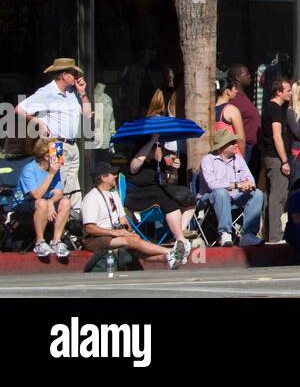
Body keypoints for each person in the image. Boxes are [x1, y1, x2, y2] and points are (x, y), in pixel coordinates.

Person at [16, 57, 92, 209]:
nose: (76, 77)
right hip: (56, 144)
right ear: (64, 75)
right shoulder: (46, 92)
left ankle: (73, 221)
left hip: (72, 144)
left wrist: (82, 93)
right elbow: (19, 109)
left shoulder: (72, 93)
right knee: (59, 182)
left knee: (73, 185)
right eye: (72, 73)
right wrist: (38, 121)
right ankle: (58, 221)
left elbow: (88, 114)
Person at [80, 161, 184, 269]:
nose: (115, 176)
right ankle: (171, 251)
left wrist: (129, 231)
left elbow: (123, 218)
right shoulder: (91, 198)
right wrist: (116, 233)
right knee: (131, 241)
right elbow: (90, 228)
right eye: (112, 174)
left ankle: (168, 258)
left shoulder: (113, 194)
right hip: (95, 238)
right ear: (103, 177)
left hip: (113, 234)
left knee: (135, 242)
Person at [123, 133, 194, 262]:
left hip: (155, 197)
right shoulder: (135, 162)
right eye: (157, 147)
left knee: (188, 198)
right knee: (166, 199)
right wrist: (153, 140)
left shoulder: (156, 164)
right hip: (137, 199)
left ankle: (178, 236)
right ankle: (181, 240)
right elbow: (137, 163)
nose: (159, 149)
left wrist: (173, 170)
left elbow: (169, 181)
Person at [198, 129, 265, 246]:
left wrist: (248, 186)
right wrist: (237, 185)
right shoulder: (207, 160)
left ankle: (248, 235)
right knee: (221, 192)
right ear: (222, 146)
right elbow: (212, 185)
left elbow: (251, 180)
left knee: (257, 193)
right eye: (232, 142)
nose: (236, 144)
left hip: (234, 196)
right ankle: (225, 233)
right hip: (210, 198)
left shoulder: (238, 159)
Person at [18, 138, 72, 258]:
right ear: (46, 156)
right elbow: (36, 195)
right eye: (57, 154)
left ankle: (56, 242)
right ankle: (39, 242)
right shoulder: (29, 169)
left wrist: (51, 201)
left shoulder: (55, 170)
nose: (59, 157)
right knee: (41, 202)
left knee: (65, 202)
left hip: (45, 204)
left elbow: (59, 193)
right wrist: (51, 174)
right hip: (25, 207)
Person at [259, 76, 293, 244]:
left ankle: (268, 233)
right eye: (288, 90)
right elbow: (276, 136)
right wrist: (285, 161)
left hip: (270, 156)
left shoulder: (270, 108)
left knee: (272, 195)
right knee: (278, 196)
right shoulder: (275, 109)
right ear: (279, 92)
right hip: (275, 157)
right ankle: (275, 236)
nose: (291, 93)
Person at [226, 63, 262, 163]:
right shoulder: (234, 99)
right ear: (237, 78)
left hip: (254, 148)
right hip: (246, 149)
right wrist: (242, 152)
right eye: (246, 74)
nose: (250, 75)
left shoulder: (243, 96)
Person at [213, 72, 246, 149]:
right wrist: (242, 155)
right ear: (228, 92)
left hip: (216, 153)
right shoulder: (231, 110)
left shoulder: (210, 110)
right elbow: (240, 138)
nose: (236, 91)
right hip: (232, 154)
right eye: (235, 89)